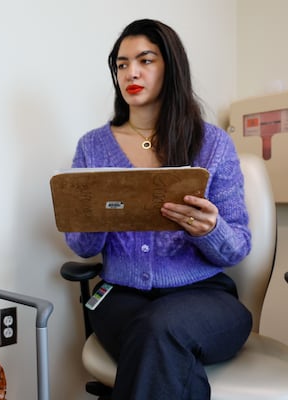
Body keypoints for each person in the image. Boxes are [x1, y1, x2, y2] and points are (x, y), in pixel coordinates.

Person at [65, 19, 252, 399]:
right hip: (120, 296)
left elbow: (238, 248)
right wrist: (98, 214)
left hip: (206, 297)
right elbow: (82, 247)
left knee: (160, 331)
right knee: (159, 337)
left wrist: (210, 230)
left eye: (145, 60)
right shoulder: (92, 147)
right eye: (121, 64)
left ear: (171, 66)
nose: (130, 72)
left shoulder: (212, 144)